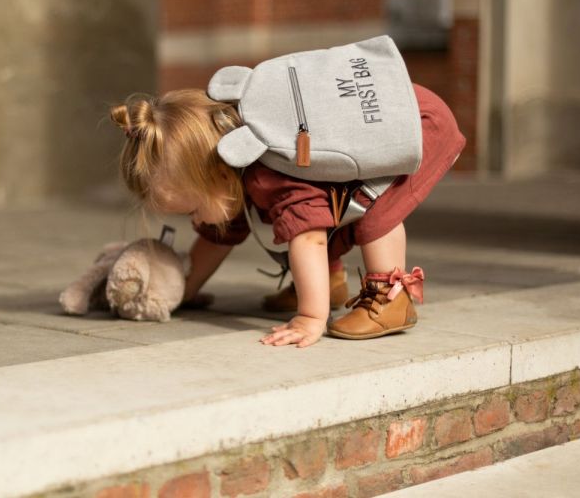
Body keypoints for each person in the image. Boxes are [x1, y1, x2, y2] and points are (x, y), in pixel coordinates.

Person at [109, 83, 465, 348]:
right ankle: (331, 282)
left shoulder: (271, 174)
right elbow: (219, 237)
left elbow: (308, 235)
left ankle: (391, 299)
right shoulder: (233, 167)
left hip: (413, 123)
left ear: (218, 178)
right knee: (330, 208)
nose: (196, 221)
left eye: (192, 209)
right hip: (385, 115)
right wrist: (180, 290)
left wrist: (311, 317)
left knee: (372, 212)